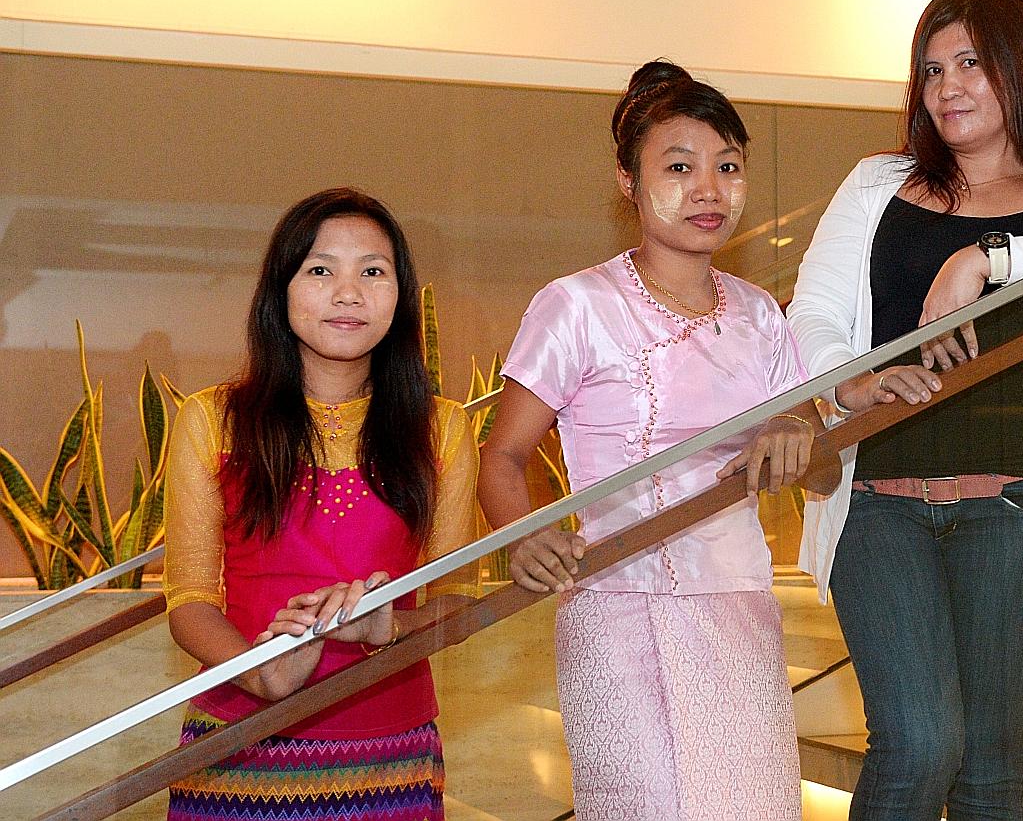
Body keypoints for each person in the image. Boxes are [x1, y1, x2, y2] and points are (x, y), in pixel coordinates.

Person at [788, 0, 1023, 821]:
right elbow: (811, 313)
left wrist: (986, 260)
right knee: (919, 745)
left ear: (1017, 69)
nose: (948, 86)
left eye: (969, 63)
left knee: (994, 775)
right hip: (879, 506)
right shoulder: (876, 184)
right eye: (931, 70)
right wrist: (850, 381)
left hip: (1014, 506)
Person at [477, 61, 832, 821]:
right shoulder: (576, 305)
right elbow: (502, 455)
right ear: (628, 183)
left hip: (740, 611)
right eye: (679, 166)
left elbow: (826, 467)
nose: (708, 188)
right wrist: (524, 535)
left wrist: (797, 426)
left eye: (728, 167)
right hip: (616, 609)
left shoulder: (761, 314)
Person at [162, 187, 481, 821]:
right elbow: (188, 598)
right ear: (280, 290)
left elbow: (455, 607)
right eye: (320, 269)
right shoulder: (212, 420)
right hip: (239, 748)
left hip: (391, 756)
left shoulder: (441, 429)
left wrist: (383, 628)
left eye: (373, 271)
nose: (348, 292)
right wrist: (263, 673)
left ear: (400, 293)